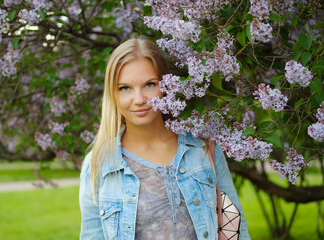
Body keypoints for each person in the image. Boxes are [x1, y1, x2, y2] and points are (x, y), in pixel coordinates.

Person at [79, 38, 250, 240]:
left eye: (149, 84)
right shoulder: (99, 164)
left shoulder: (203, 148)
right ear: (113, 94)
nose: (139, 99)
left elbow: (235, 231)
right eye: (125, 88)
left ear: (165, 86)